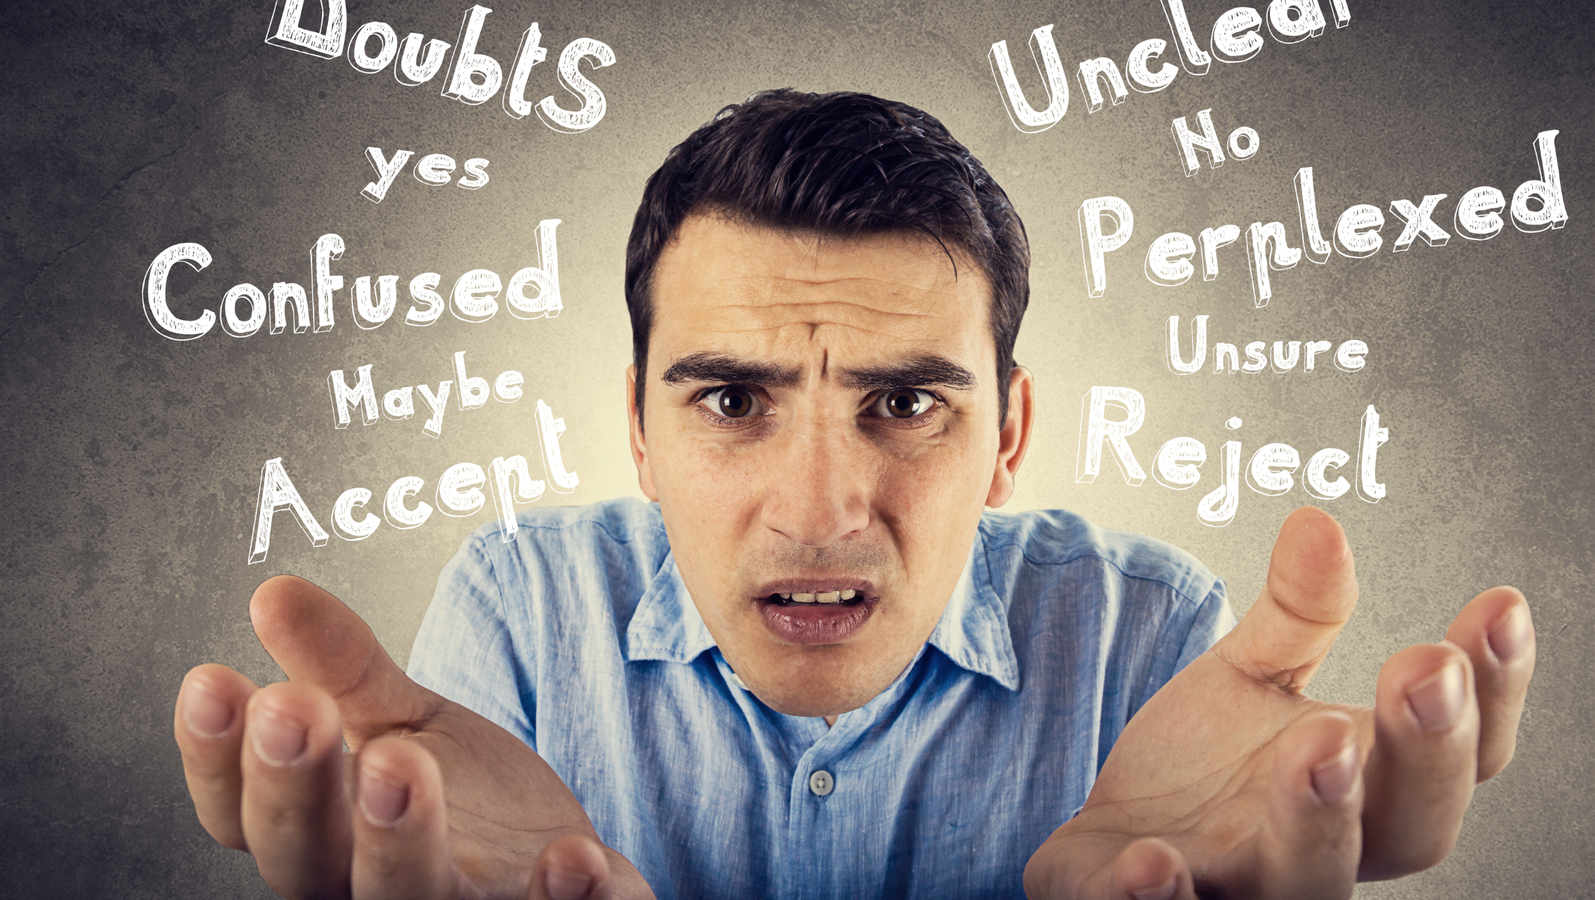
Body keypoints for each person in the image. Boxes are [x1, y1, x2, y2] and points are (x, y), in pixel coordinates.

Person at [173, 90, 1536, 900]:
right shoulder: (521, 608)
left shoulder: (1148, 633)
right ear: (635, 432)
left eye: (904, 403)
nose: (822, 509)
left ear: (1008, 434)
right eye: (729, 401)